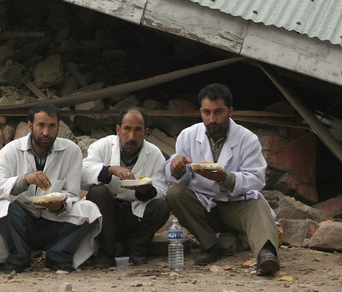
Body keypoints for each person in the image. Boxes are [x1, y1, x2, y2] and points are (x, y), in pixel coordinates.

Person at [165, 83, 281, 276]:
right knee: (174, 194)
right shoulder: (188, 136)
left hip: (236, 204)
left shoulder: (247, 139)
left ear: (230, 111)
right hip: (203, 204)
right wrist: (176, 168)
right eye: (206, 112)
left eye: (218, 112)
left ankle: (266, 254)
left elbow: (257, 178)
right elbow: (178, 181)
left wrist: (226, 179)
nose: (212, 119)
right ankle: (211, 245)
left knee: (258, 206)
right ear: (200, 112)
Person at [0, 102, 102, 273]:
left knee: (89, 209)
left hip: (55, 220)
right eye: (41, 125)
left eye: (51, 126)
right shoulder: (10, 151)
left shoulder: (71, 151)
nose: (46, 132)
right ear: (30, 126)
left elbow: (72, 193)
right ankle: (20, 255)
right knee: (0, 207)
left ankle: (58, 254)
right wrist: (23, 180)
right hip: (22, 220)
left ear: (58, 127)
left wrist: (60, 204)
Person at [82, 107, 170, 267]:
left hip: (135, 214)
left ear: (146, 132)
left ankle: (136, 249)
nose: (131, 137)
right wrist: (109, 170)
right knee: (97, 192)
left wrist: (147, 191)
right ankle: (106, 251)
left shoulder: (155, 153)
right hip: (107, 212)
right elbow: (83, 173)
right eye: (127, 129)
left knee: (162, 206)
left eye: (138, 130)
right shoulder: (102, 146)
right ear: (118, 129)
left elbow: (162, 190)